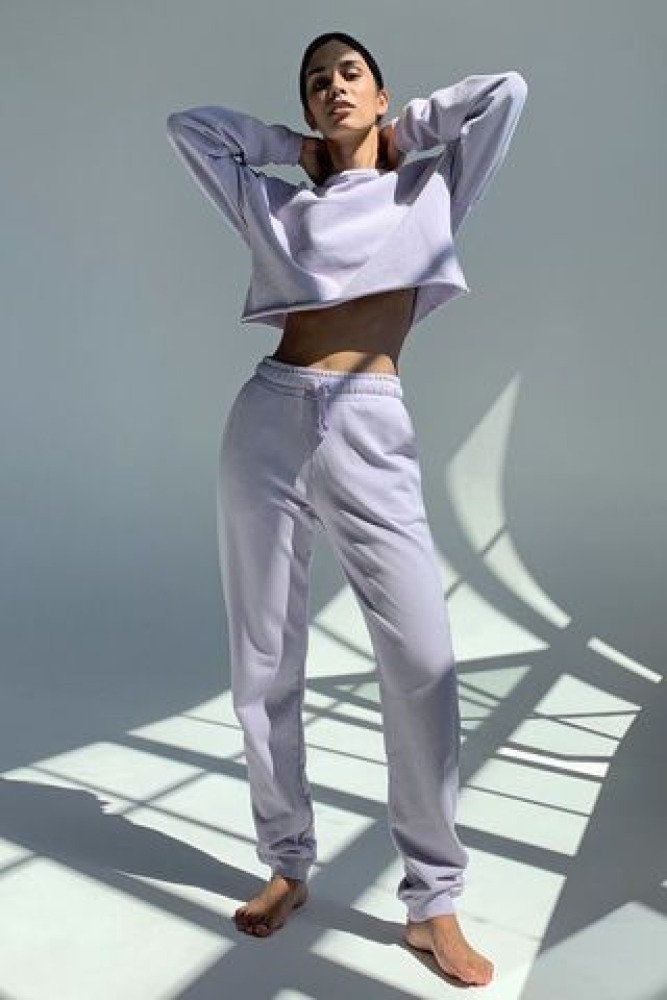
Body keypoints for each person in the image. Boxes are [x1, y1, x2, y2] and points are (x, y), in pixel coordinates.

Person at [166, 30, 527, 987]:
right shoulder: (279, 203)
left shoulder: (430, 188)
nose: (333, 87)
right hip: (267, 420)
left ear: (380, 91)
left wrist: (405, 130)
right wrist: (292, 148)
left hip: (371, 424)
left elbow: (507, 92)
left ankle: (432, 903)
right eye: (316, 81)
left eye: (349, 75)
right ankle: (286, 864)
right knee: (264, 660)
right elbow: (189, 129)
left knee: (421, 662)